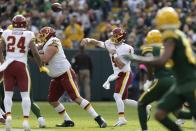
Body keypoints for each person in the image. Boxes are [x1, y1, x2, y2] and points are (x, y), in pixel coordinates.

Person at [124, 7, 196, 131]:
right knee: (160, 114)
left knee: (146, 105)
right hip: (179, 82)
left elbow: (162, 60)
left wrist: (136, 58)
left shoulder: (170, 35)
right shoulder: (178, 34)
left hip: (189, 83)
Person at [37, 26, 107, 128]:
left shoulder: (54, 41)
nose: (41, 37)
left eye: (42, 35)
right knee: (52, 99)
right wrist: (33, 52)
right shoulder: (44, 44)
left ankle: (98, 118)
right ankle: (68, 121)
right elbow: (39, 58)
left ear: (48, 35)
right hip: (56, 77)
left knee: (76, 98)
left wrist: (35, 52)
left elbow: (45, 59)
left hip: (65, 74)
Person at [81, 27, 151, 126]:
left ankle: (122, 119)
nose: (113, 37)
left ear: (121, 37)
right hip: (118, 74)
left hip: (124, 73)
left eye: (115, 35)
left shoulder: (128, 48)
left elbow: (122, 65)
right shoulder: (109, 43)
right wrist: (88, 39)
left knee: (116, 95)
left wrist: (114, 55)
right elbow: (98, 43)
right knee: (124, 100)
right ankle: (145, 106)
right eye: (113, 35)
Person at [0, 15, 46, 131]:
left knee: (8, 94)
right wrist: (41, 66)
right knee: (25, 95)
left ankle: (8, 117)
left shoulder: (6, 33)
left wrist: (2, 61)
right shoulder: (29, 34)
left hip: (8, 65)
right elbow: (35, 52)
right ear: (24, 24)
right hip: (21, 65)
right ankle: (25, 121)